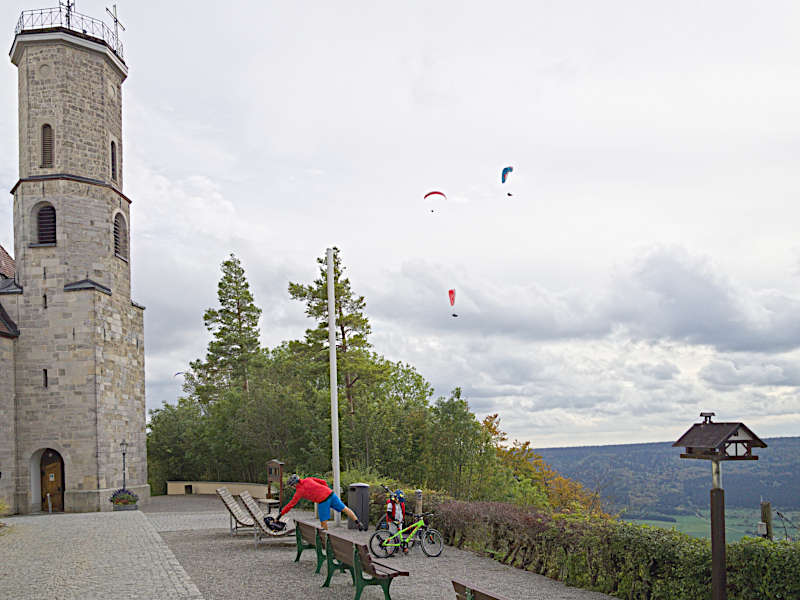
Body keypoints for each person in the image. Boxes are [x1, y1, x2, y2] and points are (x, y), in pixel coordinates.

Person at [277, 474, 366, 531]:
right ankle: (358, 522)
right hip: (330, 494)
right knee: (345, 509)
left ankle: (327, 540)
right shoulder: (308, 479)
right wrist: (326, 490)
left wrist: (281, 514)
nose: (292, 487)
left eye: (292, 486)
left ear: (294, 484)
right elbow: (323, 482)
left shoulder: (299, 491)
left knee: (323, 521)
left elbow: (291, 504)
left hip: (323, 501)